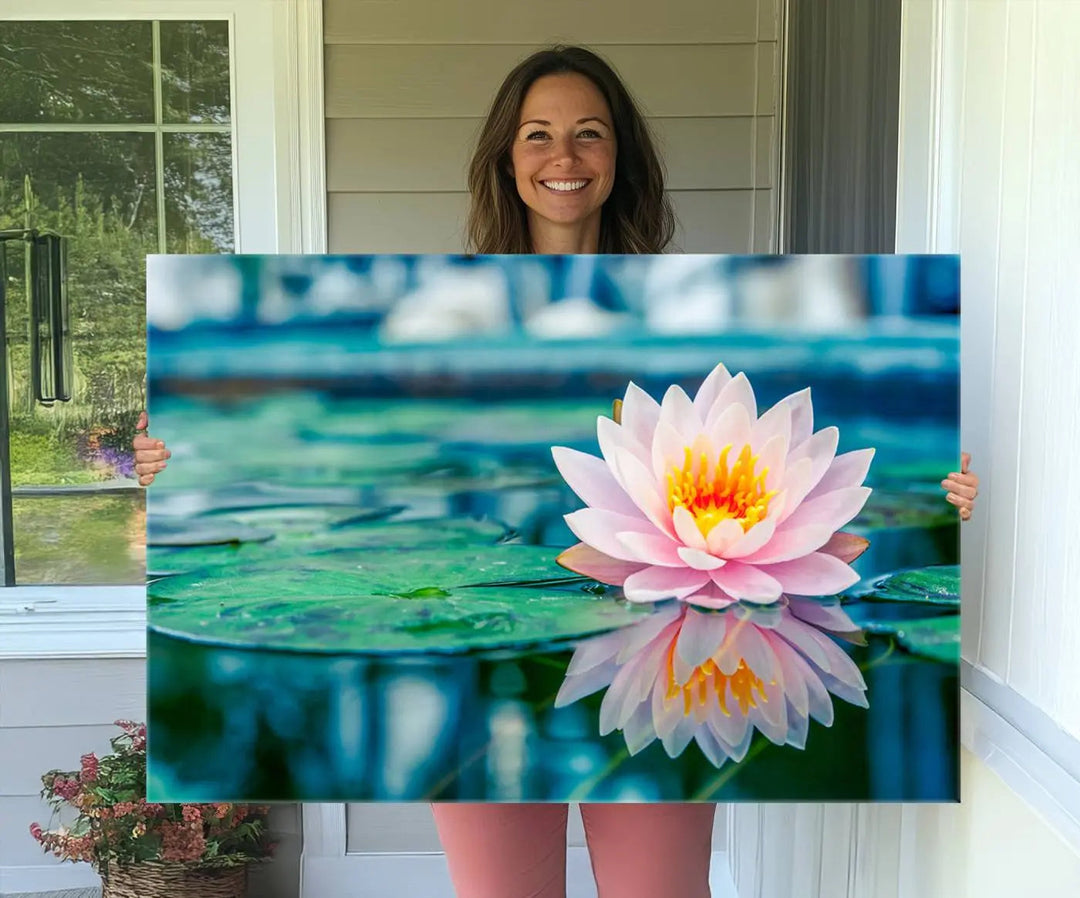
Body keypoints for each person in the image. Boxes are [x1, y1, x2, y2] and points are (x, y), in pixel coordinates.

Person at [134, 45, 980, 898]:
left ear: (620, 158)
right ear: (507, 157)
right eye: (537, 135)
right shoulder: (448, 314)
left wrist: (955, 489)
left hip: (674, 641)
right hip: (505, 617)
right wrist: (161, 460)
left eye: (589, 135)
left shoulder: (692, 318)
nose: (563, 158)